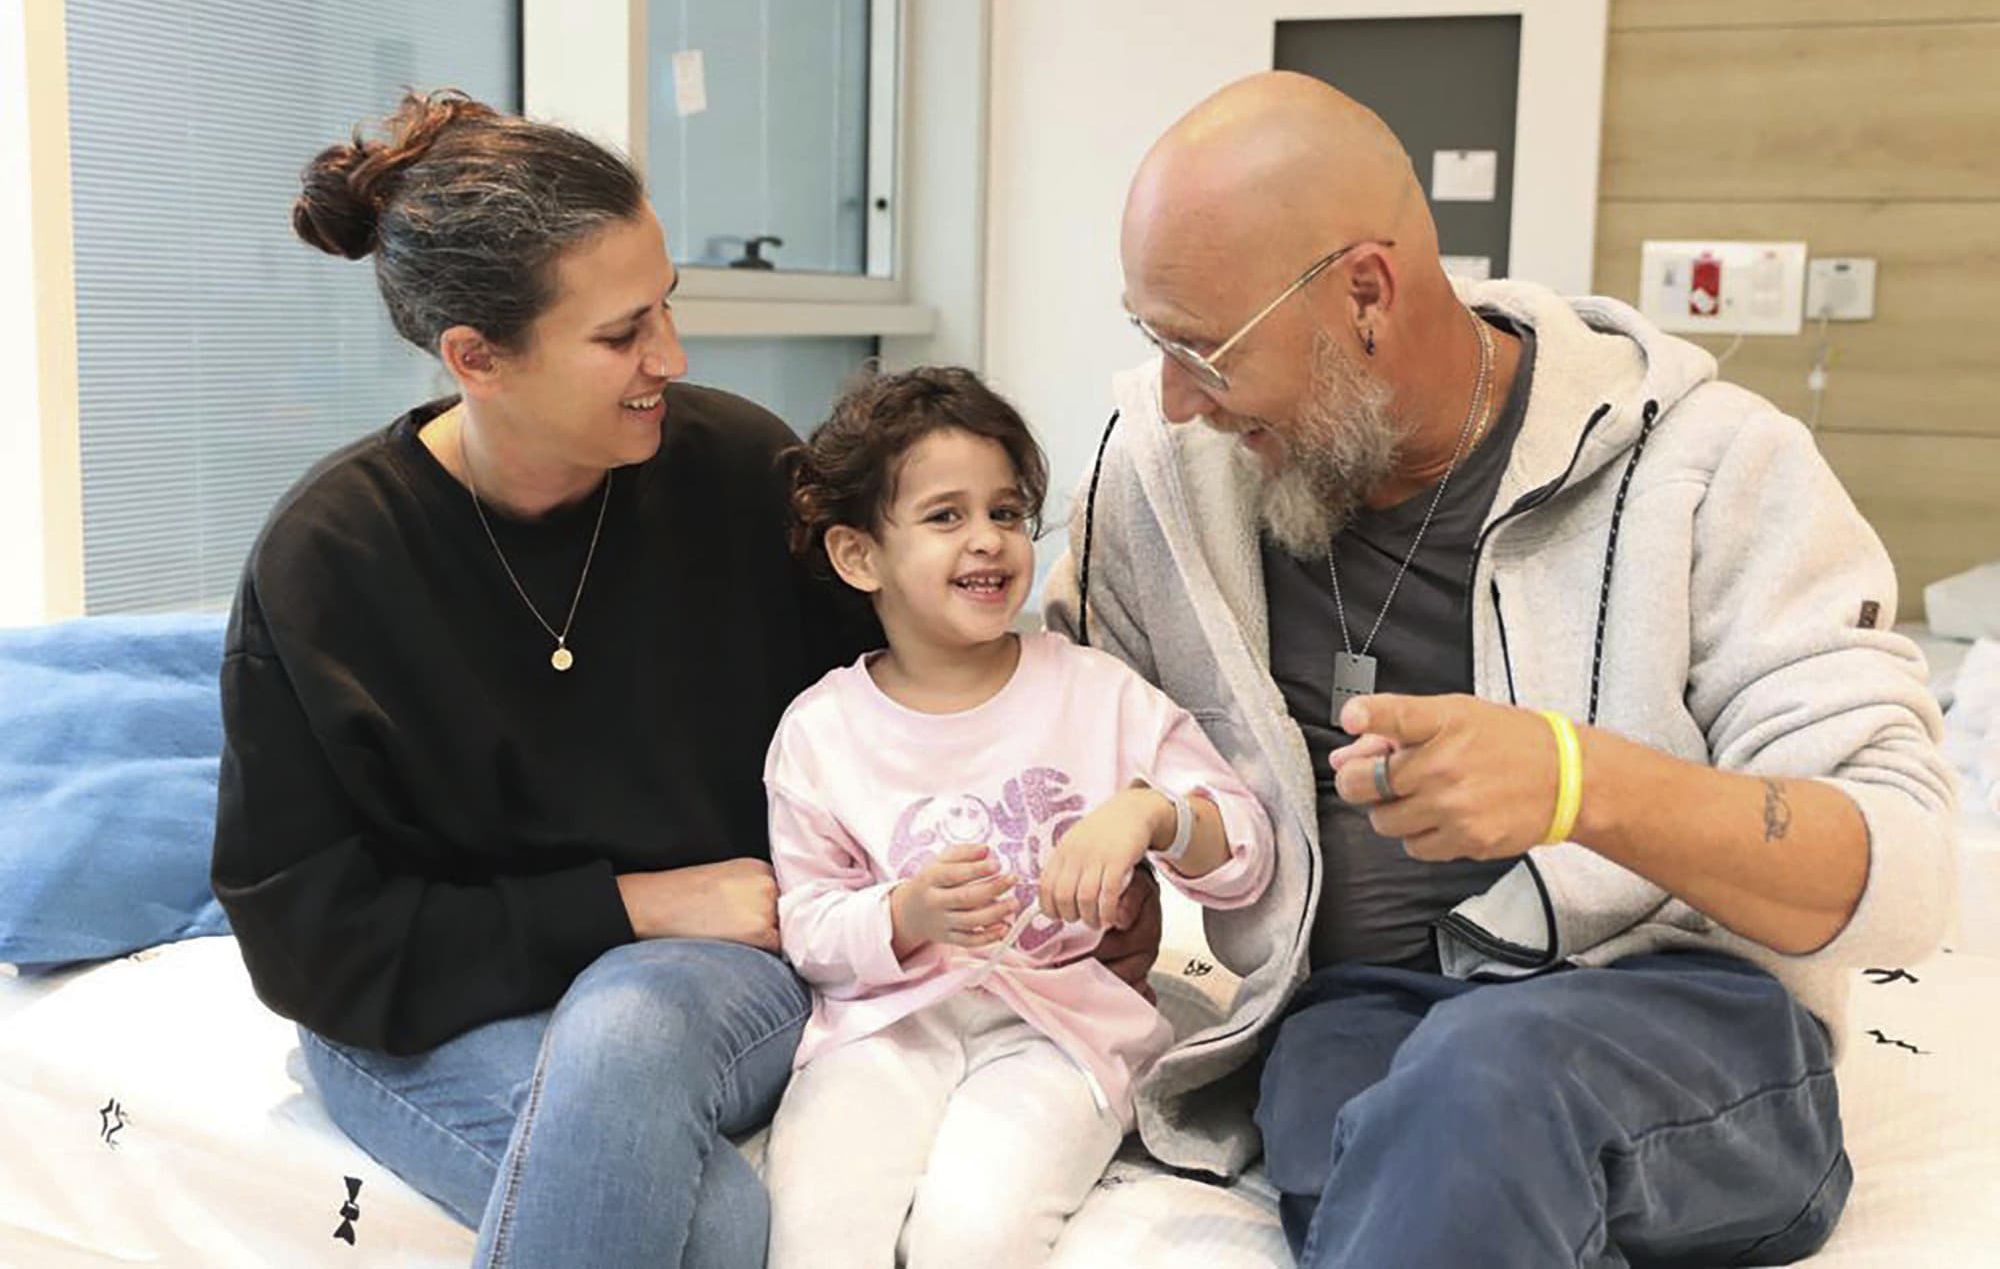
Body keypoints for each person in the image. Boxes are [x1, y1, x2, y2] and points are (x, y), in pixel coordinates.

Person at [209, 90, 1162, 1265]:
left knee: (625, 1029)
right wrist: (631, 903)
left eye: (667, 305)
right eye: (621, 335)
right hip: (420, 1010)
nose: (671, 355)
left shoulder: (734, 471)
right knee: (718, 1227)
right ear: (476, 358)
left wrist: (1103, 848)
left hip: (699, 987)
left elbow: (925, 690)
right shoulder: (328, 564)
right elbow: (308, 939)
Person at [1043, 71, 1957, 1266]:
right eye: (1148, 339)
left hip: (1680, 1015)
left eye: (1203, 350)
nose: (1172, 397)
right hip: (1350, 1017)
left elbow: (1904, 876)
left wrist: (1582, 786)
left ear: (1364, 292)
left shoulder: (1712, 472)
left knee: (1480, 1082)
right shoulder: (1158, 482)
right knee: (1386, 1115)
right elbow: (1060, 719)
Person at [759, 367, 1274, 1267]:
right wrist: (903, 915)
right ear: (858, 556)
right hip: (885, 1029)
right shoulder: (819, 733)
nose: (988, 541)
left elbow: (1247, 849)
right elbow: (807, 927)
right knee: (816, 1227)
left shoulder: (1096, 692)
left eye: (1004, 512)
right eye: (945, 516)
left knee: (974, 1235)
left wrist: (1148, 816)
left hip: (1061, 1030)